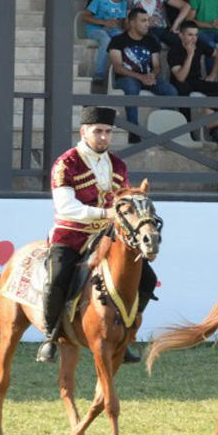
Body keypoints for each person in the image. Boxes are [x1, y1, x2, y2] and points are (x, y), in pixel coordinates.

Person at [38, 107, 157, 364]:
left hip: (107, 236)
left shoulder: (118, 164)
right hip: (71, 233)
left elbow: (123, 200)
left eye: (107, 132)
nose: (103, 137)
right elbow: (66, 208)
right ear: (84, 132)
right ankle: (51, 335)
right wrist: (107, 216)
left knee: (147, 279)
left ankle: (126, 333)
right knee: (57, 278)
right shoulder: (65, 163)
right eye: (98, 131)